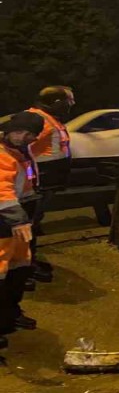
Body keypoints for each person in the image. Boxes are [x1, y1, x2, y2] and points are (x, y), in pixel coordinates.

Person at [0, 113, 41, 349]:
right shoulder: (3, 154)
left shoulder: (20, 152)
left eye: (29, 134)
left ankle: (9, 316)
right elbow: (2, 193)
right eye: (19, 132)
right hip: (8, 222)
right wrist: (19, 219)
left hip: (18, 222)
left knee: (18, 269)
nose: (23, 137)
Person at [24, 86, 73, 283]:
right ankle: (22, 266)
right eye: (69, 101)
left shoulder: (46, 119)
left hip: (45, 182)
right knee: (27, 224)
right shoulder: (39, 120)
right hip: (38, 183)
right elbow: (21, 151)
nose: (72, 105)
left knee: (32, 223)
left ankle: (27, 262)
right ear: (57, 103)